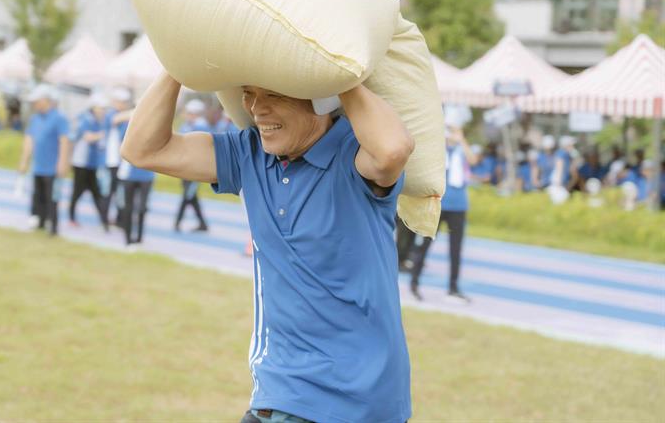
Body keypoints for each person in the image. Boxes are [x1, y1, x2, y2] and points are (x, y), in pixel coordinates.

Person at [123, 73, 415, 423]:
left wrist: (333, 73)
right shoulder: (248, 153)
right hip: (284, 394)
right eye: (249, 93)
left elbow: (393, 150)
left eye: (275, 94)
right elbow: (142, 149)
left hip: (367, 402)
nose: (257, 108)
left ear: (320, 98)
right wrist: (177, 68)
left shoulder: (353, 154)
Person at [410, 126, 478, 303]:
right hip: (437, 204)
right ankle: (414, 283)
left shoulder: (461, 151)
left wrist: (461, 140)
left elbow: (473, 161)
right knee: (425, 245)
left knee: (456, 249)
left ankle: (453, 288)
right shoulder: (438, 149)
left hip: (458, 206)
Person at [18, 84, 70, 236]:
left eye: (36, 101)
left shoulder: (59, 118)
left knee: (52, 197)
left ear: (45, 100)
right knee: (37, 196)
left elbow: (64, 141)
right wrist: (24, 161)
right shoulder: (35, 119)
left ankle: (52, 226)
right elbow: (29, 140)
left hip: (52, 166)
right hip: (38, 165)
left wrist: (62, 162)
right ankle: (39, 222)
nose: (34, 104)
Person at [69, 93, 110, 231]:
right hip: (81, 163)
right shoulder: (85, 119)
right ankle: (72, 218)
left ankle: (104, 221)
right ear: (93, 107)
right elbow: (88, 137)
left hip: (92, 163)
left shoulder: (99, 121)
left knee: (96, 192)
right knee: (77, 191)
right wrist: (102, 135)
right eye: (101, 108)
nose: (103, 111)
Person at [173, 98, 212, 232]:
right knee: (191, 197)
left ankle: (177, 222)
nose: (186, 115)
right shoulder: (187, 125)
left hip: (195, 168)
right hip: (185, 166)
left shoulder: (202, 127)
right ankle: (203, 224)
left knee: (187, 195)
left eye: (189, 113)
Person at [103, 88, 133, 225]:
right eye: (119, 101)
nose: (121, 104)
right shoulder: (110, 115)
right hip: (109, 162)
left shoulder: (126, 119)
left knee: (120, 192)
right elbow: (115, 119)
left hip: (121, 162)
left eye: (124, 102)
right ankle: (104, 219)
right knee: (108, 191)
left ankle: (120, 219)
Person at [117, 158, 155, 245]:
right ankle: (128, 239)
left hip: (147, 175)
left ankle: (139, 238)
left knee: (142, 208)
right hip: (129, 175)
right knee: (128, 208)